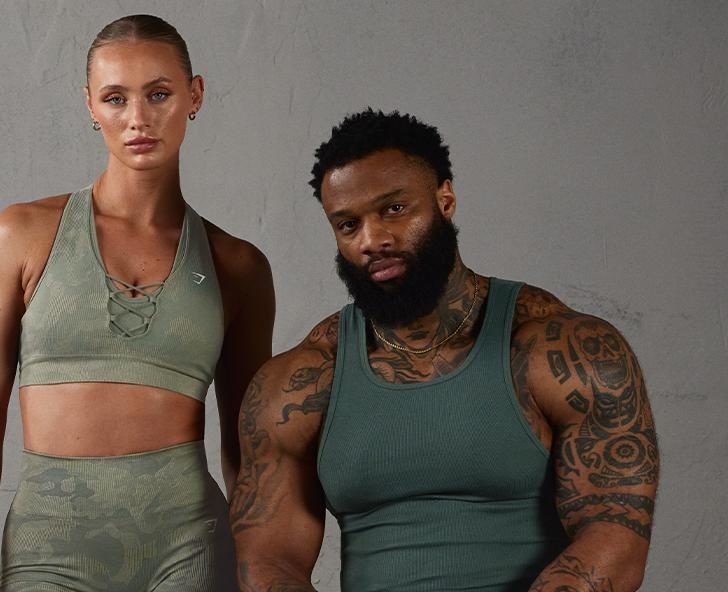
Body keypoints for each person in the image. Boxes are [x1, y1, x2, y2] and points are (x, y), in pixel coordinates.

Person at [230, 109, 658, 591]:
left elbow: (614, 538)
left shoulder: (561, 347)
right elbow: (269, 563)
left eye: (394, 209)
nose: (373, 240)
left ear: (445, 199)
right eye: (348, 225)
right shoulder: (300, 380)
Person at [0, 14, 274, 592]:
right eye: (116, 98)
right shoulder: (21, 234)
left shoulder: (237, 266)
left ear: (195, 95)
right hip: (49, 548)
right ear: (90, 105)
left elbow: (247, 443)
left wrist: (261, 568)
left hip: (190, 547)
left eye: (159, 94)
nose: (138, 119)